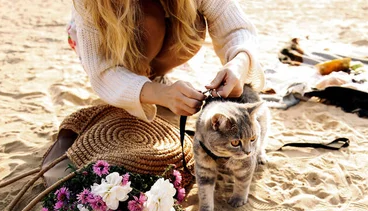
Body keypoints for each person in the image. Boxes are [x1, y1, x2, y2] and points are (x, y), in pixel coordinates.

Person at [68, 0, 265, 121]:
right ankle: (142, 86)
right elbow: (103, 71)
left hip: (159, 35)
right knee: (148, 21)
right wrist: (162, 94)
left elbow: (238, 29)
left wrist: (238, 64)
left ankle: (150, 80)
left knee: (192, 23)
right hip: (110, 44)